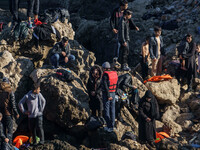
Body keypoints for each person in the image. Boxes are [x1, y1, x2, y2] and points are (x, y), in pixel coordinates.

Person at [0, 74, 19, 144]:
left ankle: (3, 146)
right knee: (10, 132)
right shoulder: (10, 92)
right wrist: (16, 113)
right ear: (8, 83)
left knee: (3, 131)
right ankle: (9, 145)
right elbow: (13, 104)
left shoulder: (0, 91)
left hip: (1, 115)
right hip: (8, 114)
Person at [101, 62, 118, 132]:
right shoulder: (114, 73)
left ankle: (109, 126)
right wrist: (115, 93)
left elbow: (105, 86)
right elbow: (117, 84)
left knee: (107, 110)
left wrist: (108, 95)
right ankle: (113, 125)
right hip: (113, 93)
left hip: (107, 94)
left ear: (105, 68)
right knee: (113, 110)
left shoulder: (105, 75)